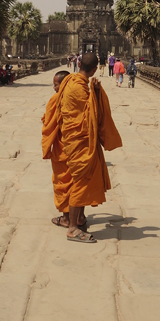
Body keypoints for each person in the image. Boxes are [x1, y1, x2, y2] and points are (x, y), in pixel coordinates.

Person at [55, 51, 122, 243]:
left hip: (73, 138)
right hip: (80, 142)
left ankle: (79, 218)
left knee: (81, 178)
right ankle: (73, 228)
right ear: (94, 70)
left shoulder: (70, 81)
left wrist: (93, 93)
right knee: (80, 181)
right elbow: (93, 117)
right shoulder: (81, 88)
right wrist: (98, 94)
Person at [42, 69, 89, 231]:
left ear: (64, 84)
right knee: (76, 183)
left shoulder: (56, 99)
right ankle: (80, 217)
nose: (54, 88)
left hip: (63, 148)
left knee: (63, 183)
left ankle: (67, 219)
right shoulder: (81, 96)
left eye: (56, 84)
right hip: (77, 148)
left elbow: (48, 123)